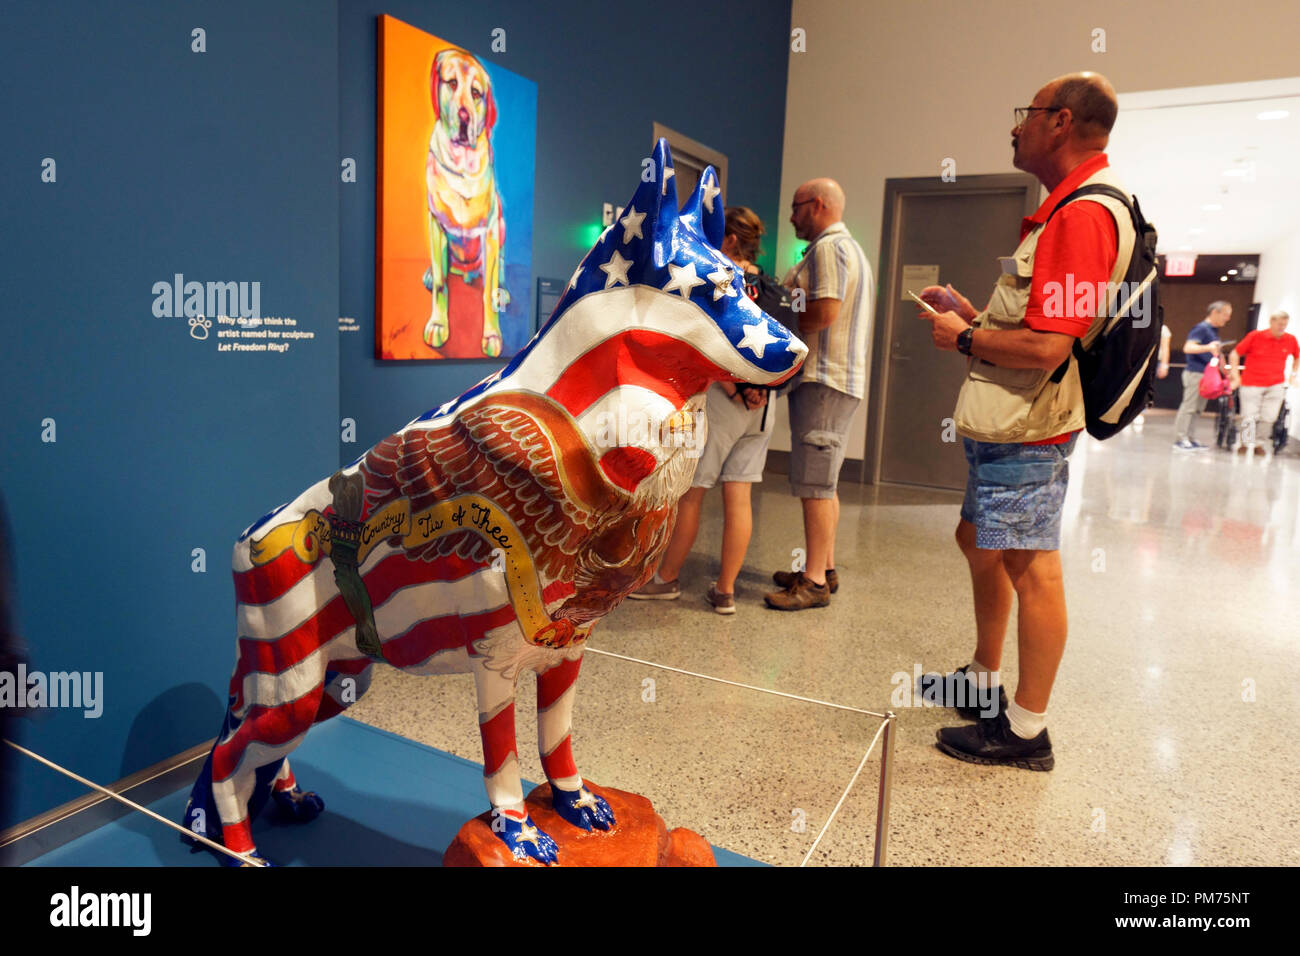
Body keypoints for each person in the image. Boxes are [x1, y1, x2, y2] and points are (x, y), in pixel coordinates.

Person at [915, 71, 1136, 770]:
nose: (1016, 127)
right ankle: (983, 681)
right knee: (978, 539)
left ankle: (1026, 731)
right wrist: (972, 314)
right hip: (1008, 422)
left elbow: (1047, 347)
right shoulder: (1065, 208)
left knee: (1031, 565)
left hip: (1029, 428)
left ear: (1061, 121)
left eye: (1027, 114)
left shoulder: (1082, 215)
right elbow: (1036, 321)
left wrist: (966, 339)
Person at [630, 207, 793, 613]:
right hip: (765, 406)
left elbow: (707, 337)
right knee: (739, 493)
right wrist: (760, 388)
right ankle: (725, 591)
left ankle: (666, 580)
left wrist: (736, 386)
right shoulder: (772, 287)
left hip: (722, 400)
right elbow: (788, 345)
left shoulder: (720, 279)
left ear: (732, 241)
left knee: (692, 494)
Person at [764, 178, 873, 611]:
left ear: (819, 205)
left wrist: (780, 320)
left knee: (814, 483)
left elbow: (824, 312)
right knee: (824, 481)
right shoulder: (850, 249)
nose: (791, 217)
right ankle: (823, 567)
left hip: (824, 378)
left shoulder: (828, 249)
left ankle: (812, 583)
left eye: (796, 207)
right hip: (838, 380)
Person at [1229, 310, 1298, 457]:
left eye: (1284, 325)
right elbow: (1235, 353)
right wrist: (1235, 375)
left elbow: (1297, 356)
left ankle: (1259, 443)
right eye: (1279, 324)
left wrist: (1293, 375)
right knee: (1249, 415)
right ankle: (1245, 443)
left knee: (1269, 417)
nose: (1282, 327)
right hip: (1252, 382)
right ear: (1271, 322)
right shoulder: (1255, 336)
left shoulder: (1290, 339)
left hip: (1275, 384)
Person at [1172, 301, 1234, 451]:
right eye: (1225, 315)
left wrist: (1224, 370)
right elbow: (1188, 347)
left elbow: (1216, 353)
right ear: (1215, 312)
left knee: (1198, 409)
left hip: (1206, 376)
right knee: (1189, 407)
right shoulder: (1201, 329)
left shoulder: (1213, 331)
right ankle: (1180, 439)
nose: (1227, 319)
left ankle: (1190, 437)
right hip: (1195, 374)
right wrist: (1208, 347)